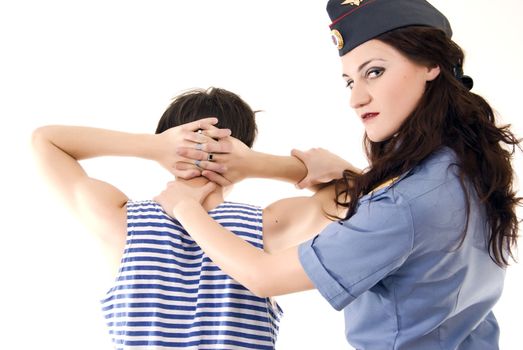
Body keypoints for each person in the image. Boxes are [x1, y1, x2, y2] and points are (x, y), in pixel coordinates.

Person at [154, 1, 522, 349]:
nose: (356, 99)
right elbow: (401, 216)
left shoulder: (404, 206)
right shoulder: (465, 164)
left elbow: (262, 277)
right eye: (350, 81)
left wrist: (187, 209)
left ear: (431, 63)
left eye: (374, 72)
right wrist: (271, 165)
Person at [32, 87, 346, 349]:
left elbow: (46, 141)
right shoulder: (269, 225)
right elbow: (372, 196)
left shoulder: (121, 221)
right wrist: (259, 164)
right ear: (244, 148)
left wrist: (153, 146)